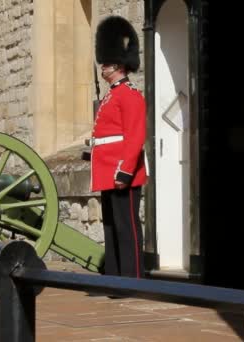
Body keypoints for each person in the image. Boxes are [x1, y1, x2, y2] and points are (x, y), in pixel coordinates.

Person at [88, 16, 147, 279]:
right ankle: (115, 277)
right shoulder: (112, 95)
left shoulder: (130, 95)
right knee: (111, 226)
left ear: (118, 65)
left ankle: (133, 278)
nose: (103, 67)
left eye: (107, 63)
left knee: (128, 227)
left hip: (122, 171)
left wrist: (125, 171)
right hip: (107, 169)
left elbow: (135, 137)